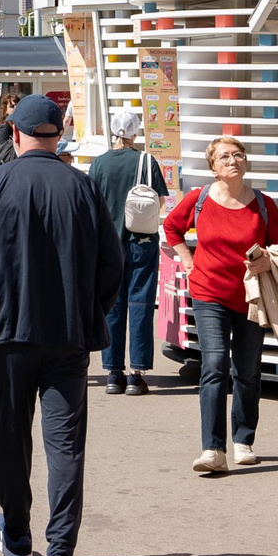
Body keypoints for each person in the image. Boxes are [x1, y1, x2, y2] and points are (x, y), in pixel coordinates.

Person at [0, 93, 122, 556]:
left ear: (17, 134)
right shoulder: (83, 187)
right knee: (65, 447)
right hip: (68, 336)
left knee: (10, 437)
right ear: (57, 134)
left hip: (5, 335)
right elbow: (111, 266)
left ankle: (19, 535)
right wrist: (90, 309)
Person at [163, 134, 278, 475]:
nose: (233, 160)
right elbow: (172, 227)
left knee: (247, 372)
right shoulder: (199, 198)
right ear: (214, 168)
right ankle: (212, 449)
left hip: (251, 299)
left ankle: (243, 441)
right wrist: (188, 261)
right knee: (215, 364)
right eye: (224, 157)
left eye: (238, 155)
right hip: (209, 294)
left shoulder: (263, 204)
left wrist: (267, 261)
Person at [87, 113, 162, 396]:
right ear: (136, 133)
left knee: (112, 306)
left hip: (107, 244)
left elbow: (91, 204)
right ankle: (136, 373)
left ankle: (113, 373)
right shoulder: (146, 161)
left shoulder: (99, 164)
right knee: (141, 304)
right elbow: (159, 201)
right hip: (141, 242)